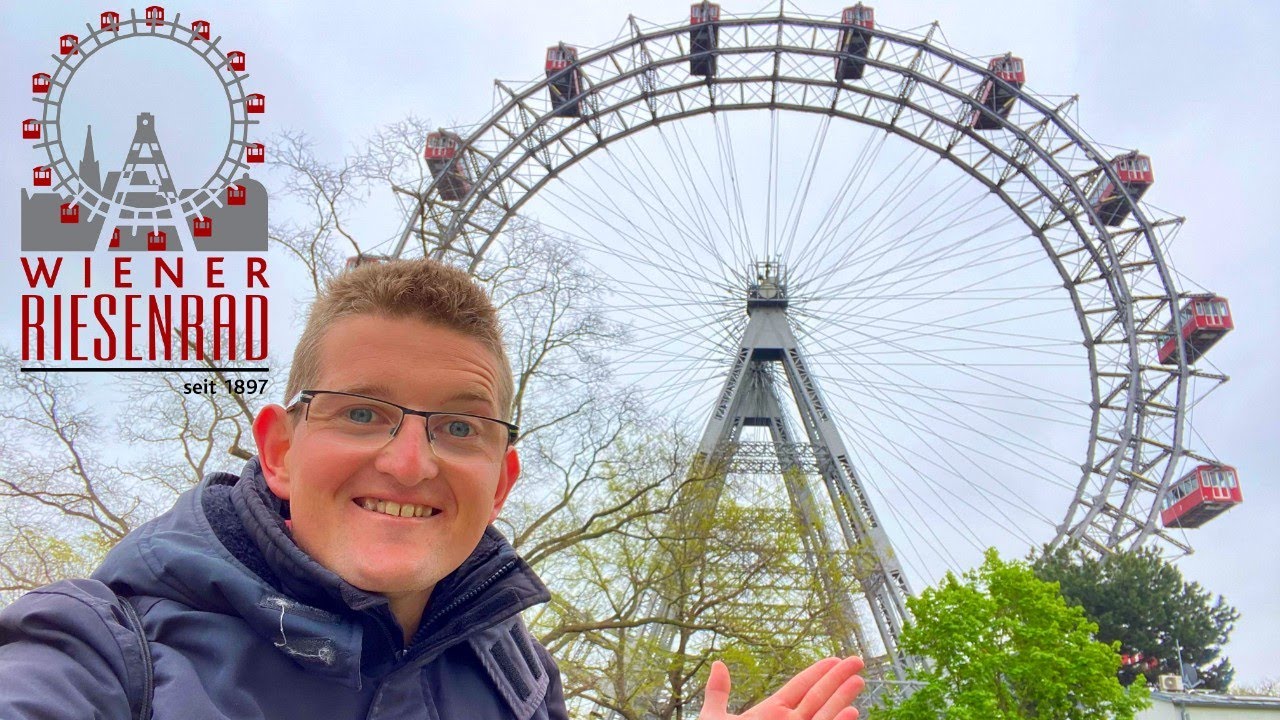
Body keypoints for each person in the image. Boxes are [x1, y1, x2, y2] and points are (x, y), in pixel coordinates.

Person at [0, 258, 864, 719]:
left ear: (502, 484)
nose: (410, 463)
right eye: (362, 413)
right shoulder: (98, 650)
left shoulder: (520, 682)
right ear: (279, 450)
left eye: (459, 427)